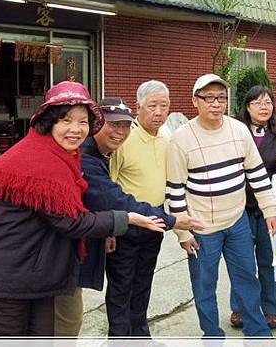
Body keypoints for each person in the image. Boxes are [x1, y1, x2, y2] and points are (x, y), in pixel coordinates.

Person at [0, 81, 166, 337]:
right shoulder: (38, 161)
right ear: (49, 122)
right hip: (1, 281)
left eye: (83, 122)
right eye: (66, 120)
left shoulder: (64, 155)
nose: (76, 129)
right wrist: (126, 218)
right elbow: (71, 221)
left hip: (33, 275)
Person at [53, 97, 203, 336]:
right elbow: (112, 196)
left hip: (148, 226)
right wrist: (171, 220)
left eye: (125, 125)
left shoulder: (164, 139)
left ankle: (141, 337)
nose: (120, 132)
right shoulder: (86, 155)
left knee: (142, 286)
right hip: (121, 227)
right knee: (113, 293)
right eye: (113, 124)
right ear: (96, 124)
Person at [166, 73, 276, 338]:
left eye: (221, 98)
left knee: (246, 280)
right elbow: (175, 190)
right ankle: (212, 336)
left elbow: (256, 173)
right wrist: (183, 232)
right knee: (205, 286)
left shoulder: (238, 130)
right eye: (209, 98)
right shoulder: (181, 138)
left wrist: (270, 210)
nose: (216, 104)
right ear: (195, 101)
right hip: (201, 226)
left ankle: (258, 333)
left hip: (236, 221)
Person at [106, 81, 176, 337]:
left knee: (143, 283)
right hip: (127, 223)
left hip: (154, 221)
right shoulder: (123, 138)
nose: (159, 112)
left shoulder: (168, 136)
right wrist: (109, 229)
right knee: (121, 286)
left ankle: (141, 336)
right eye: (152, 106)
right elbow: (108, 187)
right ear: (138, 107)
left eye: (164, 105)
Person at [229, 85, 276, 330]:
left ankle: (270, 309)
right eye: (257, 102)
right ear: (247, 107)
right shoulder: (235, 133)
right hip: (239, 208)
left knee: (268, 261)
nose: (264, 107)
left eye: (268, 102)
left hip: (268, 210)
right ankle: (239, 308)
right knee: (242, 263)